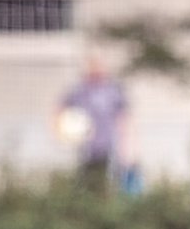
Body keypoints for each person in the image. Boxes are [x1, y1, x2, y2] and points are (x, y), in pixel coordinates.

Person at [57, 53, 133, 193]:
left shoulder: (112, 90)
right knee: (84, 182)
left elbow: (123, 118)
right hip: (85, 147)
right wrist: (61, 133)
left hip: (108, 146)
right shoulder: (80, 89)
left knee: (107, 182)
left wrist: (126, 146)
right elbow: (60, 109)